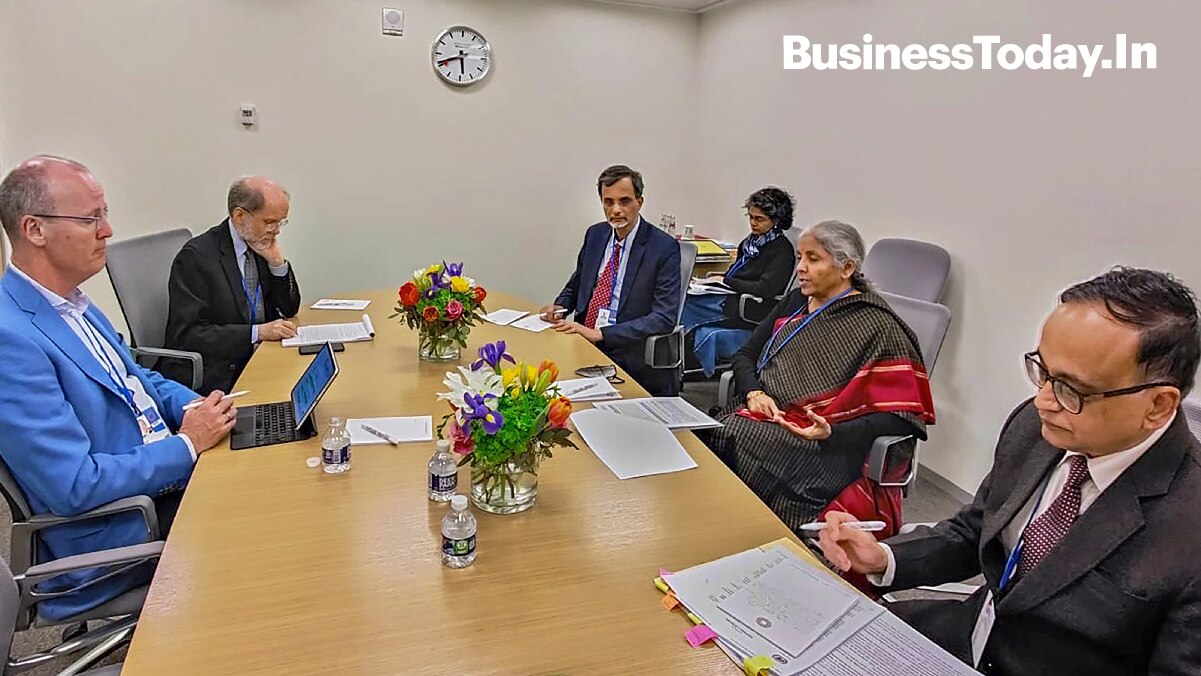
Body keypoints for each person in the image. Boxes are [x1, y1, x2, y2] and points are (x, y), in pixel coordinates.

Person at [818, 267, 1201, 676]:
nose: (1043, 401)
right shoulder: (1037, 430)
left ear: (1159, 404)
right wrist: (883, 557)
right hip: (967, 636)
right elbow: (978, 531)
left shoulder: (1188, 526)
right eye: (1043, 371)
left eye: (1072, 389)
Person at [0, 156, 237, 619]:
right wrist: (189, 445)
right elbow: (74, 485)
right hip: (125, 524)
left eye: (104, 215)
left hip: (159, 477)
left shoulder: (74, 302)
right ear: (34, 229)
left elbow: (137, 378)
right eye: (91, 219)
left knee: (277, 465)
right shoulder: (12, 339)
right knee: (273, 526)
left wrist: (199, 407)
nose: (107, 231)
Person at [705, 220, 936, 532]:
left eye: (813, 259)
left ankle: (750, 532)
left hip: (825, 444)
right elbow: (745, 355)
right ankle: (717, 526)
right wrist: (754, 393)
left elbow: (901, 416)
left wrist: (832, 433)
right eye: (800, 257)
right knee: (711, 433)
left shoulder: (878, 326)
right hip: (762, 413)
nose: (800, 268)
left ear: (847, 268)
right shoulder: (796, 302)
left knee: (738, 438)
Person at [539, 165, 683, 395]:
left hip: (626, 350)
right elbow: (578, 283)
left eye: (624, 201)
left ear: (640, 202)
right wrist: (560, 306)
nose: (615, 210)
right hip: (584, 341)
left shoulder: (663, 247)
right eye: (608, 202)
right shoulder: (596, 235)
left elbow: (664, 317)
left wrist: (603, 333)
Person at [163, 176, 302, 394]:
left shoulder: (259, 244)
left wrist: (277, 264)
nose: (277, 231)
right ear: (239, 216)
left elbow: (289, 308)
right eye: (270, 222)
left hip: (260, 356)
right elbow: (188, 335)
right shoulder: (197, 257)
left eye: (281, 222)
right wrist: (257, 333)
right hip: (222, 369)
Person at [683, 187, 797, 376]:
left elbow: (766, 288)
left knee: (686, 304)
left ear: (776, 221)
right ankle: (676, 355)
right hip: (730, 296)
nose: (753, 223)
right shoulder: (750, 243)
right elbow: (736, 275)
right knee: (685, 296)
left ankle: (673, 360)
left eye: (759, 219)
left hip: (748, 306)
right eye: (751, 217)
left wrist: (728, 282)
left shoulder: (781, 250)